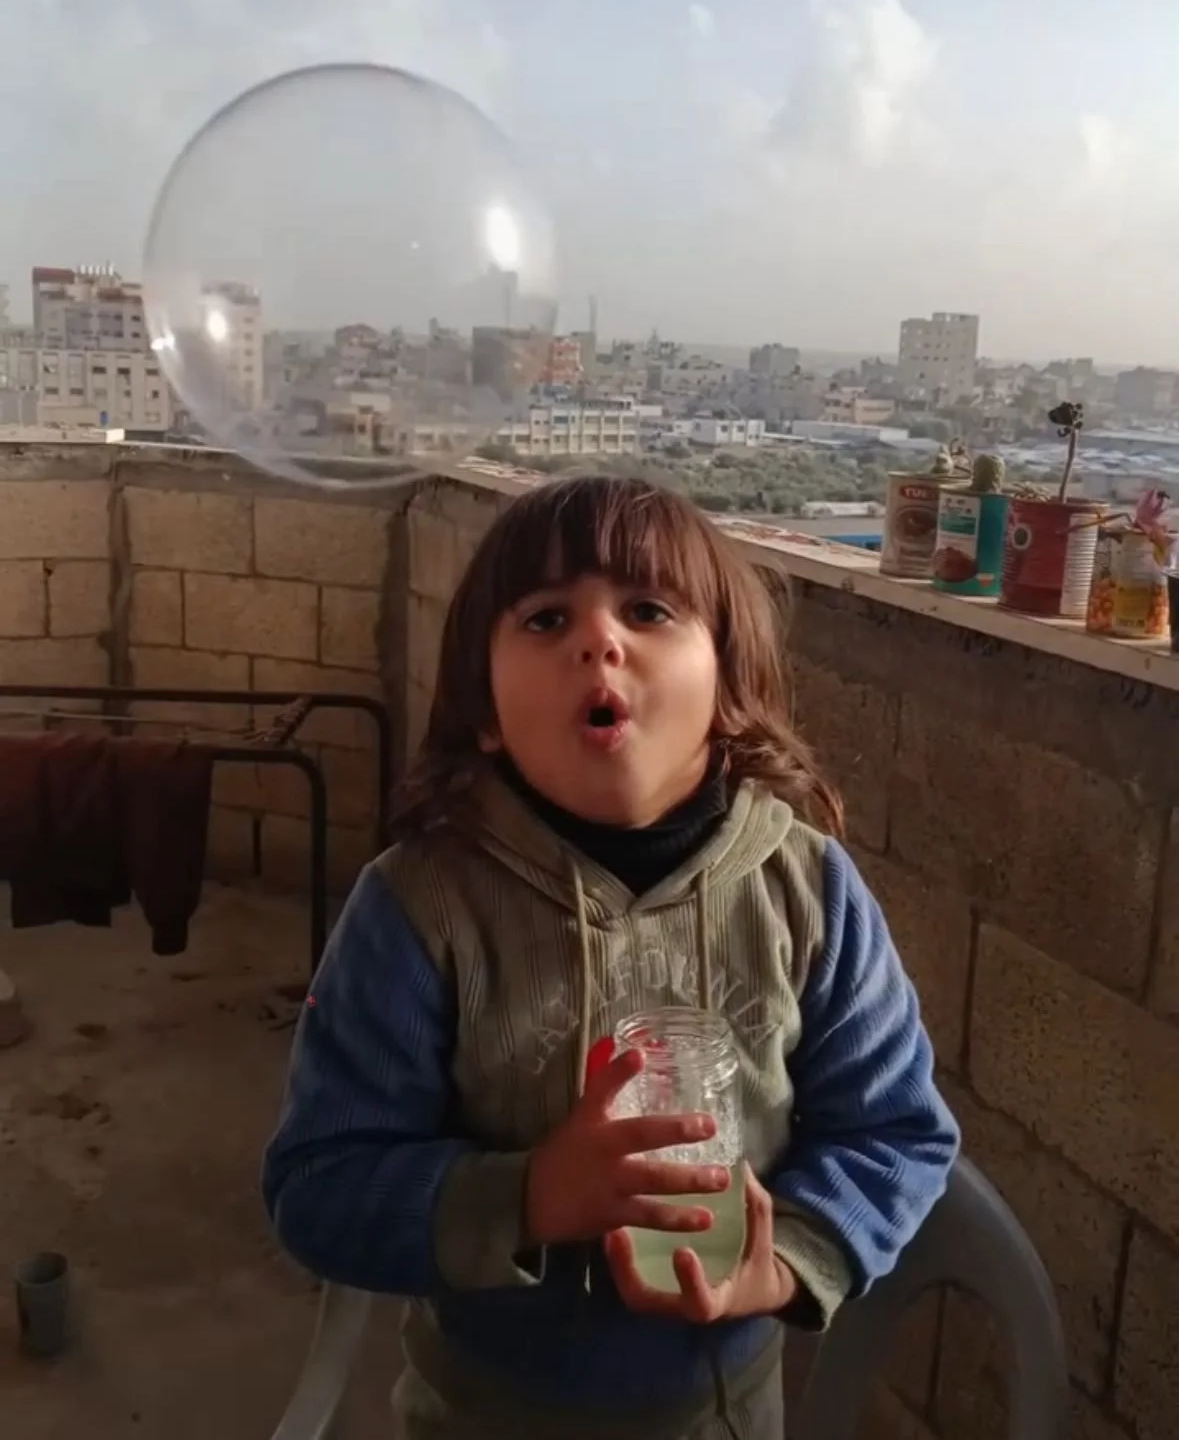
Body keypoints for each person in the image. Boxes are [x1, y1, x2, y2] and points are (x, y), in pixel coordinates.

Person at [262, 475, 959, 1440]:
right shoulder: (417, 910)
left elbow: (894, 1134)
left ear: (727, 686)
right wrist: (533, 1194)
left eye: (647, 610)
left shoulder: (809, 893)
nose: (601, 640)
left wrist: (788, 1258)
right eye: (546, 620)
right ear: (487, 715)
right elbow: (320, 1188)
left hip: (727, 1414)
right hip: (481, 1415)